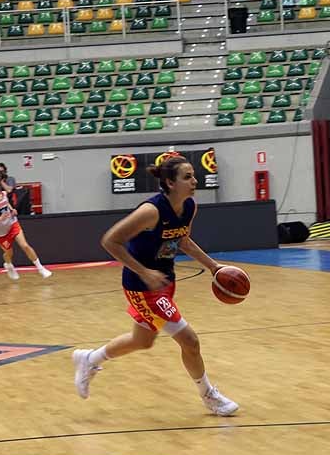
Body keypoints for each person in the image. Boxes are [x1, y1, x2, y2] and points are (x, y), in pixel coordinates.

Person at [72, 156, 239, 416]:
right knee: (189, 340)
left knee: (142, 341)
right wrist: (144, 272)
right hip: (143, 286)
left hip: (165, 281)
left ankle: (89, 359)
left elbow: (183, 241)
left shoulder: (189, 206)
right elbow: (110, 241)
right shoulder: (151, 211)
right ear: (170, 183)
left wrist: (214, 267)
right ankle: (209, 395)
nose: (195, 181)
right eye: (187, 177)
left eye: (193, 175)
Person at [0, 176, 51, 280]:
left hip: (12, 224)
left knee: (25, 245)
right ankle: (8, 265)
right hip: (0, 232)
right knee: (9, 253)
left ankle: (40, 268)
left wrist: (12, 210)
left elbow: (7, 203)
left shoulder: (3, 194)